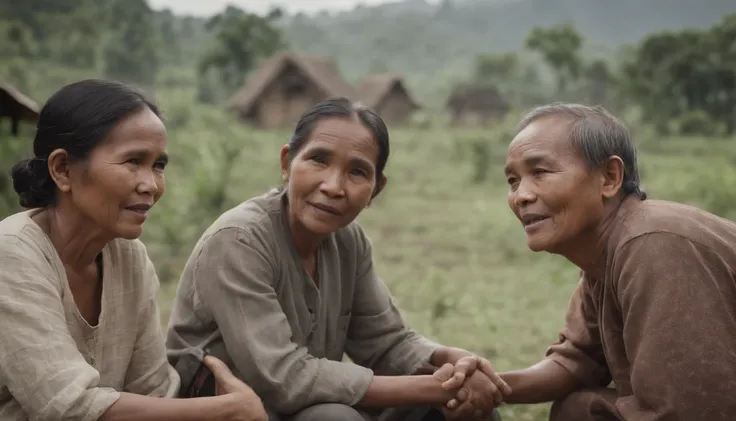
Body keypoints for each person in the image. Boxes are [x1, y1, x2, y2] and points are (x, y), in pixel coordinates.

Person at [165, 97, 512, 421]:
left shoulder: (348, 241)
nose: (333, 186)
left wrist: (446, 359)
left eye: (357, 172)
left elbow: (386, 342)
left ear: (376, 190)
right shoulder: (239, 239)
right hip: (234, 412)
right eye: (318, 159)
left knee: (465, 412)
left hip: (305, 407)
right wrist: (436, 387)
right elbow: (283, 379)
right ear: (287, 164)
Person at [0, 79, 267, 421]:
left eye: (158, 165)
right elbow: (69, 407)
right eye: (133, 161)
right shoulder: (13, 254)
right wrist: (225, 409)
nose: (151, 185)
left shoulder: (129, 258)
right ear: (62, 169)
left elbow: (153, 388)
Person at [495, 103, 736, 420]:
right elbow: (577, 361)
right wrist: (485, 384)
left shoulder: (653, 245)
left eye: (539, 172)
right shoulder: (603, 256)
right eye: (513, 181)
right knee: (578, 411)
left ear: (609, 177)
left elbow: (696, 411)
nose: (521, 196)